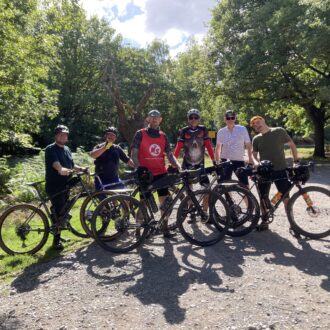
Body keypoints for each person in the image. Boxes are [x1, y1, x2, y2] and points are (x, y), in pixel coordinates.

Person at [131, 109, 181, 238]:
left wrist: (178, 165)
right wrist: (138, 167)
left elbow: (169, 154)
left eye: (156, 117)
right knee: (143, 203)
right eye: (152, 117)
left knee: (165, 203)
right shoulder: (140, 134)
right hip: (145, 175)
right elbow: (134, 153)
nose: (154, 119)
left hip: (161, 173)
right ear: (148, 119)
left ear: (160, 119)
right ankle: (138, 231)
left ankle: (164, 228)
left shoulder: (163, 135)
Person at [250, 115, 300, 230]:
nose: (257, 125)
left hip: (280, 169)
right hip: (264, 172)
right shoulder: (256, 139)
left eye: (258, 122)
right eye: (254, 125)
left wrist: (296, 161)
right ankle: (265, 221)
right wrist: (257, 163)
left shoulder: (279, 131)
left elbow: (292, 144)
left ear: (263, 120)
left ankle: (292, 224)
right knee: (263, 197)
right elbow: (253, 155)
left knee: (286, 198)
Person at [45, 124, 87, 250]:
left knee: (62, 211)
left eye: (65, 134)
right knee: (58, 213)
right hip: (55, 185)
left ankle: (58, 233)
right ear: (56, 135)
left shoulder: (67, 149)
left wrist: (82, 169)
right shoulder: (50, 148)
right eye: (61, 134)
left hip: (65, 184)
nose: (63, 136)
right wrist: (61, 169)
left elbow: (72, 165)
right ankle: (56, 241)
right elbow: (55, 164)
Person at [173, 108, 215, 187]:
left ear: (199, 119)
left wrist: (214, 160)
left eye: (196, 117)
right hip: (187, 164)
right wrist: (173, 163)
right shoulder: (184, 130)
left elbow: (208, 146)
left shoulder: (203, 129)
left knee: (207, 188)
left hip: (200, 164)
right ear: (188, 119)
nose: (193, 119)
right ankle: (189, 199)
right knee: (188, 190)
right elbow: (178, 147)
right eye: (191, 117)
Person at [215, 110, 253, 187]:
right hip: (225, 160)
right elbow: (218, 147)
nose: (230, 120)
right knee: (224, 184)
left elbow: (248, 145)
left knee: (245, 185)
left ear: (235, 118)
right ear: (225, 119)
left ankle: (248, 199)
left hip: (238, 160)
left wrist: (250, 159)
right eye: (228, 118)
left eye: (232, 118)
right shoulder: (221, 131)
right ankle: (229, 199)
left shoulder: (242, 129)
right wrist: (217, 161)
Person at [90, 126, 134, 190]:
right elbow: (93, 155)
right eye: (109, 134)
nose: (111, 136)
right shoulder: (99, 146)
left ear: (115, 138)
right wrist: (106, 147)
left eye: (113, 135)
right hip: (101, 180)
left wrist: (137, 167)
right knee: (104, 199)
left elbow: (127, 160)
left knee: (125, 197)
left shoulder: (117, 148)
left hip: (115, 179)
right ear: (105, 136)